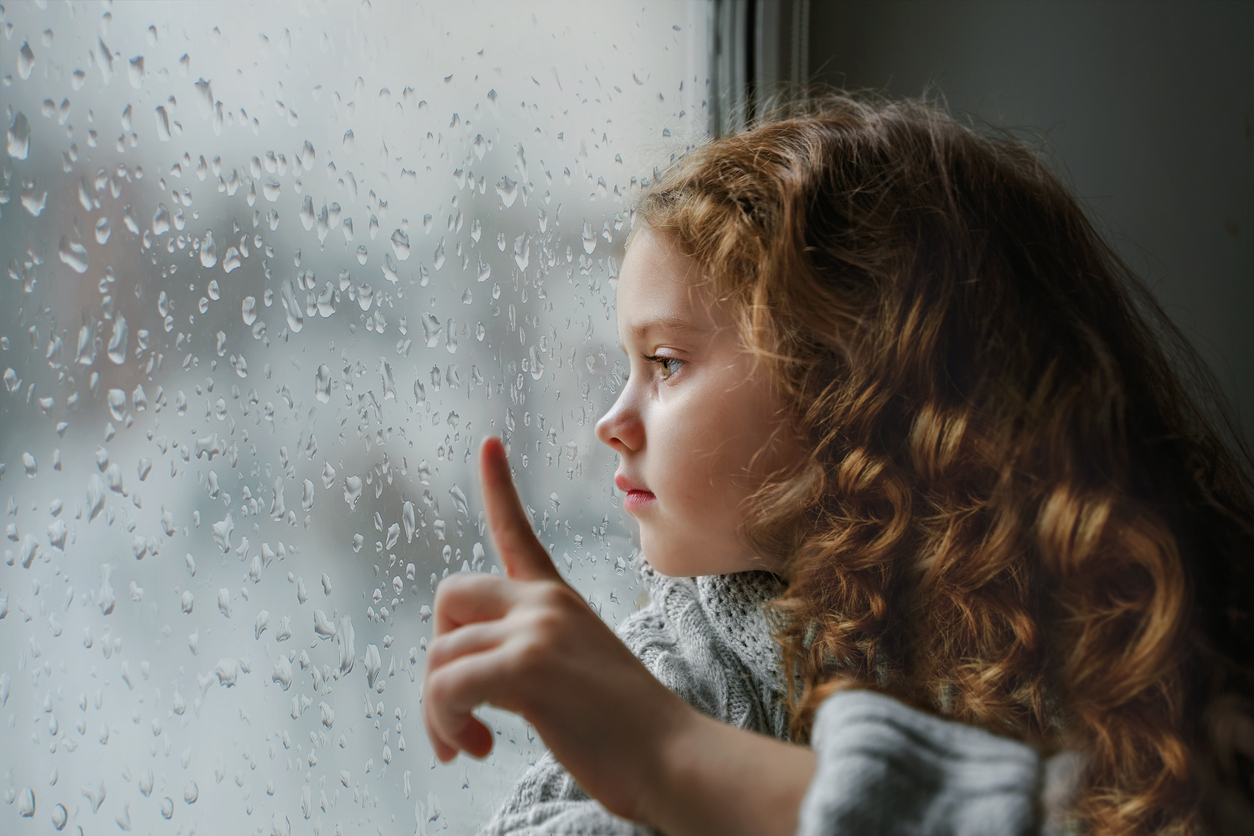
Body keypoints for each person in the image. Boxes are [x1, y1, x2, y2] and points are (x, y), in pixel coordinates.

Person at [422, 94, 1254, 835]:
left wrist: (676, 764)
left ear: (850, 387)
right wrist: (656, 751)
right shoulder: (692, 648)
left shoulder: (1150, 636)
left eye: (666, 363)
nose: (612, 421)